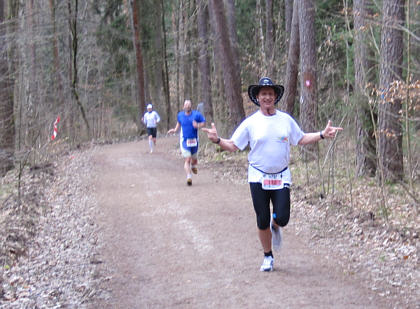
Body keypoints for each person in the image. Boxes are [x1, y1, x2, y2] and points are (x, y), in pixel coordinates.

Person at [202, 77, 342, 272]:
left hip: (281, 175)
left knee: (282, 217)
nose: (267, 97)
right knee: (261, 218)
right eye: (263, 94)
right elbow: (234, 145)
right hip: (258, 176)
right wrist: (217, 140)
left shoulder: (285, 120)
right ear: (257, 98)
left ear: (275, 97)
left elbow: (300, 138)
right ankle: (268, 256)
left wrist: (321, 134)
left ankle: (275, 226)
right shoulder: (251, 123)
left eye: (270, 93)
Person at [168, 100, 206, 186]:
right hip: (184, 140)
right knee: (187, 159)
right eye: (186, 105)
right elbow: (178, 124)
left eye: (189, 105)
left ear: (191, 106)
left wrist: (198, 125)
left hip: (195, 140)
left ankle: (193, 166)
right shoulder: (180, 115)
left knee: (194, 159)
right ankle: (189, 177)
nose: (187, 107)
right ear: (183, 107)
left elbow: (203, 122)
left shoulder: (196, 114)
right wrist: (174, 130)